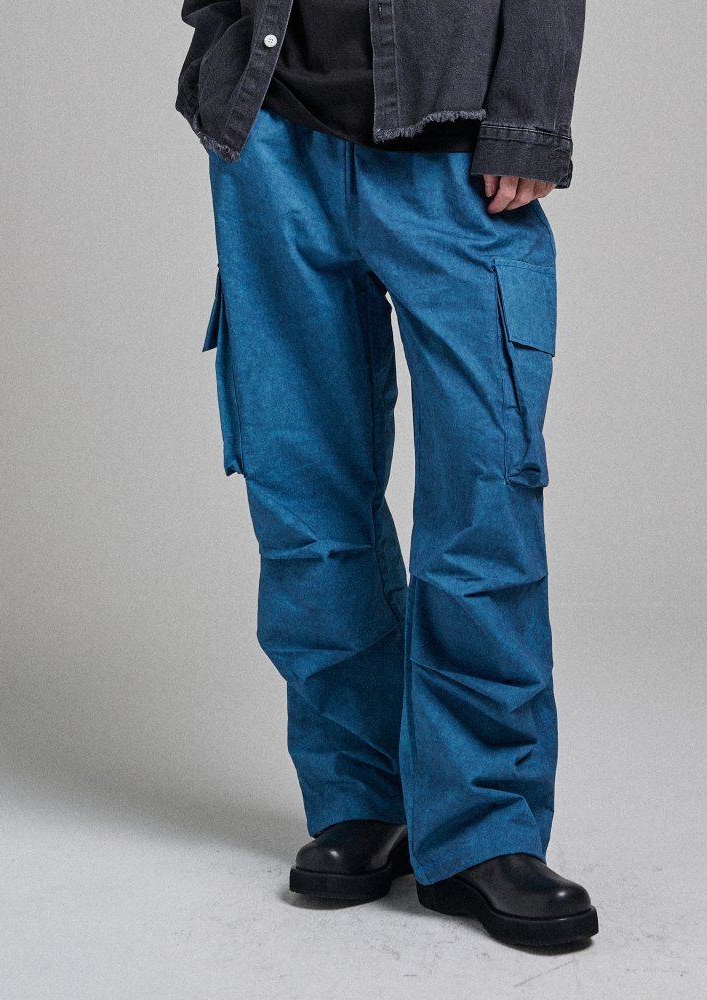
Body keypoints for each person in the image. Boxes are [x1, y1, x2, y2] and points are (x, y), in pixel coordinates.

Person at [176, 0, 596, 948]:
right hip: (275, 139)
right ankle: (362, 794)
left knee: (484, 494)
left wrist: (529, 118)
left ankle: (484, 825)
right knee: (303, 492)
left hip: (456, 150)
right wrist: (219, 55)